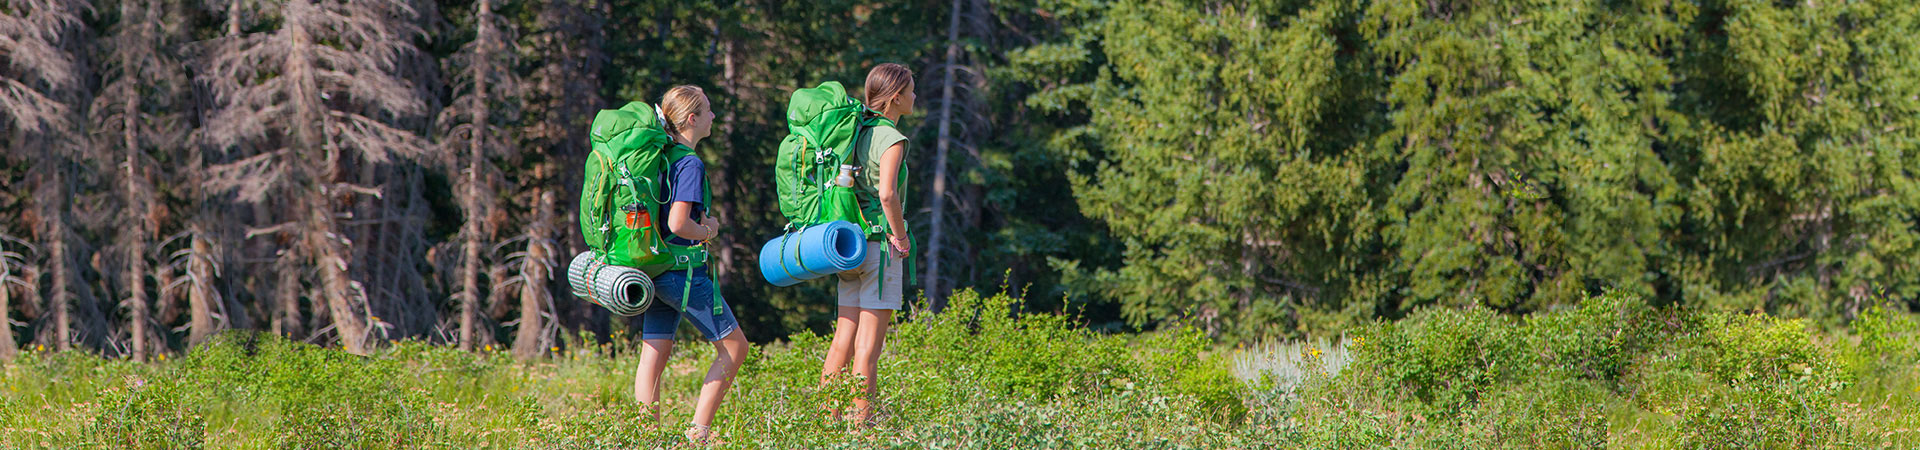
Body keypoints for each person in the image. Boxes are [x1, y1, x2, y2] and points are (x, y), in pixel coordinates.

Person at [630, 85, 749, 445]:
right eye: (709, 111)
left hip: (652, 266)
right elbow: (679, 223)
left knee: (656, 350)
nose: (714, 116)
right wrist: (707, 229)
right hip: (682, 272)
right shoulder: (689, 162)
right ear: (693, 119)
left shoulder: (661, 157)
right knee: (735, 348)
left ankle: (645, 436)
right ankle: (699, 433)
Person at [818, 63, 916, 426]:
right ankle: (862, 426)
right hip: (880, 247)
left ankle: (827, 419)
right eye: (910, 91)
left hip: (849, 246)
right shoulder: (891, 139)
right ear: (895, 98)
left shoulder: (856, 131)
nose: (915, 96)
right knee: (868, 347)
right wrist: (901, 238)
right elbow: (888, 194)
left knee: (844, 336)